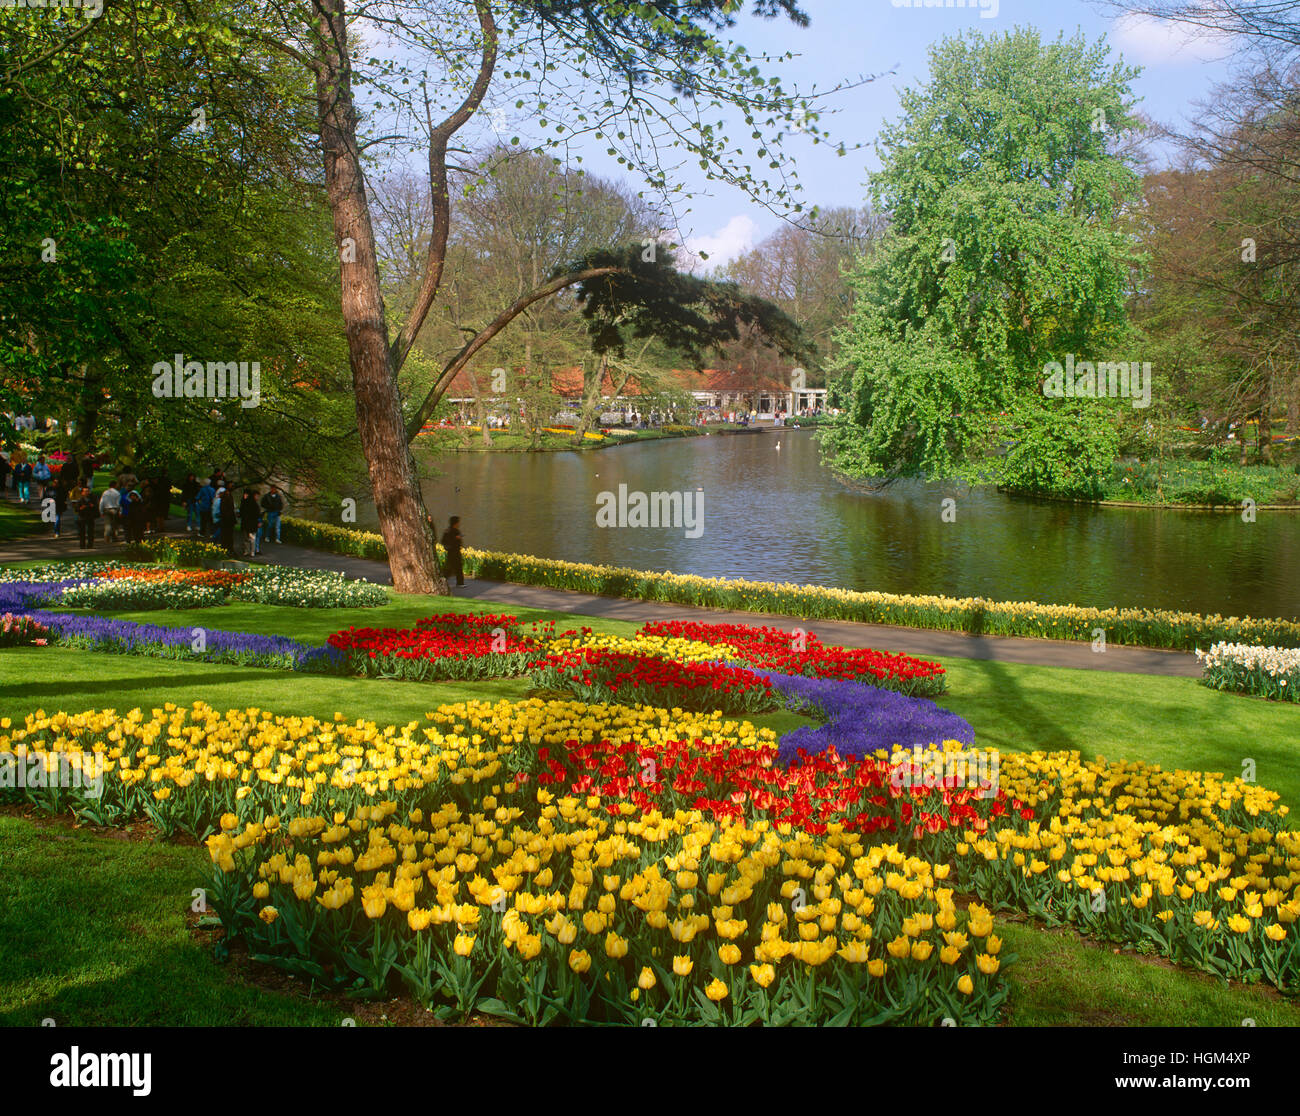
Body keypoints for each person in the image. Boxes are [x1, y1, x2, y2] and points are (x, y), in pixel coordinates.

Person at [440, 515, 465, 588]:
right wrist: (455, 538)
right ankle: (442, 581)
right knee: (450, 568)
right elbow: (444, 541)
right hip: (452, 552)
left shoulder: (456, 531)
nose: (459, 524)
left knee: (458, 567)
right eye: (458, 522)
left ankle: (460, 583)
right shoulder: (449, 531)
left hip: (456, 551)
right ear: (455, 523)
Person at [239, 487, 262, 557]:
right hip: (249, 523)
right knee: (250, 538)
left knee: (249, 538)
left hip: (248, 523)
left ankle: (249, 551)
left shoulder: (248, 503)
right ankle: (250, 551)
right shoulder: (252, 504)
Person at [217, 485, 236, 555]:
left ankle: (227, 549)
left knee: (226, 536)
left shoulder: (225, 498)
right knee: (227, 536)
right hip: (227, 521)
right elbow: (226, 511)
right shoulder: (226, 499)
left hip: (227, 521)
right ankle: (228, 550)